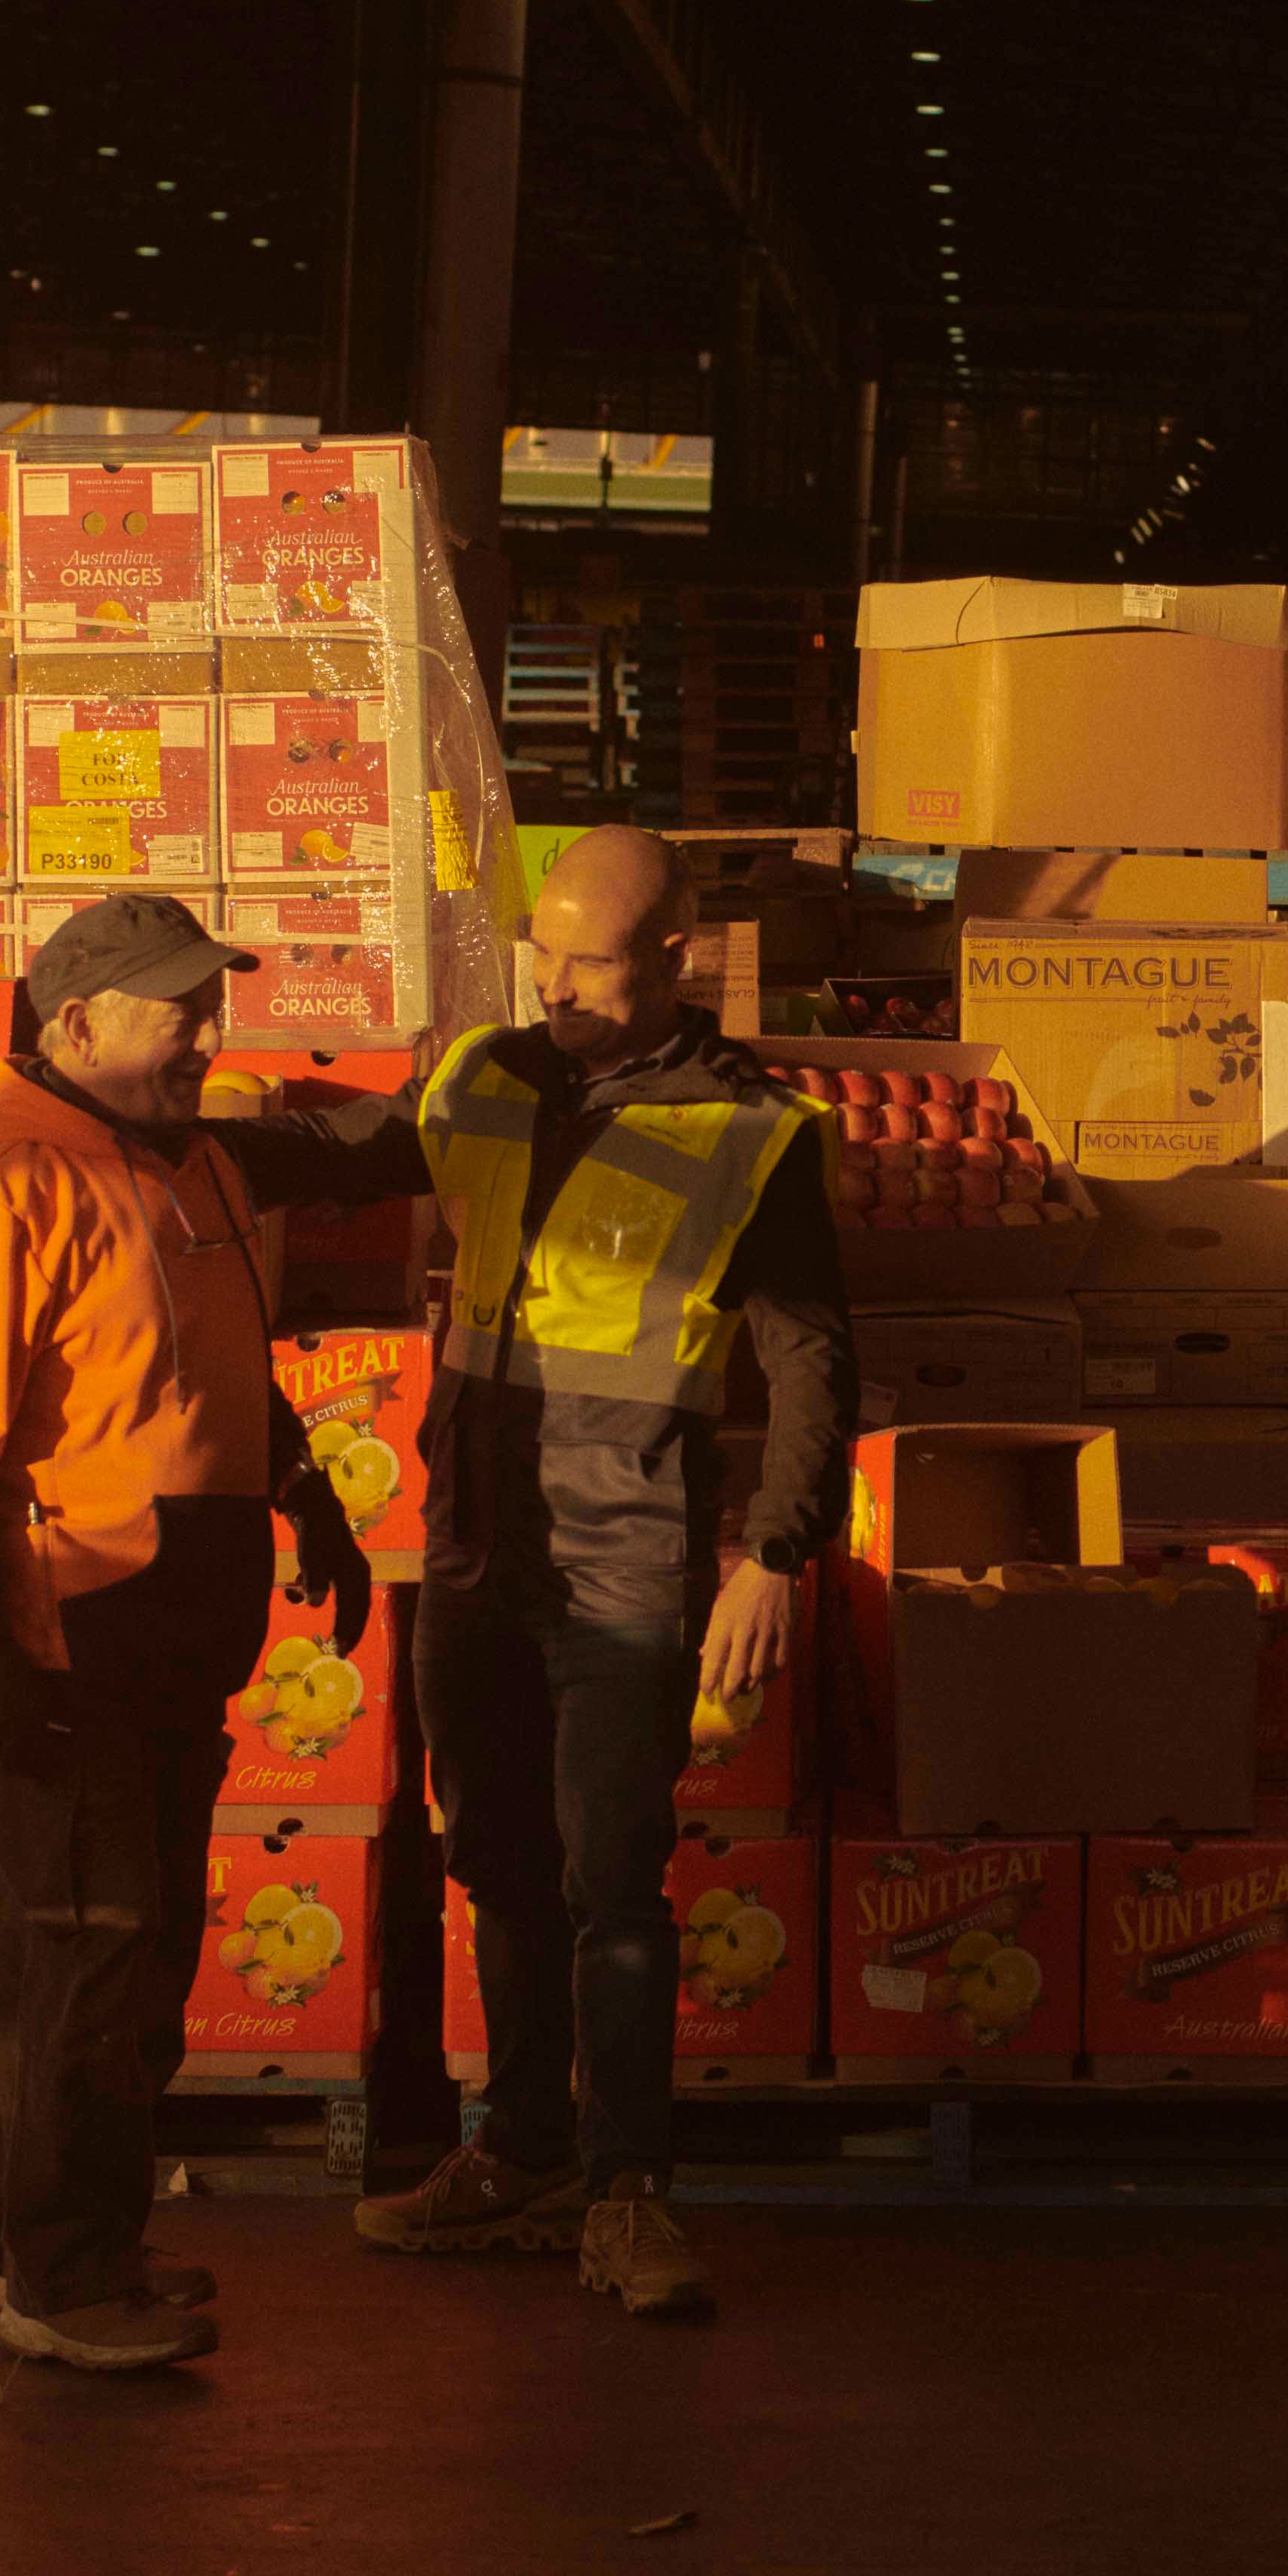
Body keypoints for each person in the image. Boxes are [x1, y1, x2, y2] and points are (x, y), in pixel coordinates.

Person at [267, 824, 854, 2324]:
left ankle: (630, 2191)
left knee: (617, 1883)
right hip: (475, 1550)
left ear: (676, 960)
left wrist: (775, 1551)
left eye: (591, 961)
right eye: (547, 950)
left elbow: (809, 1362)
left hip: (626, 1562)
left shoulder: (747, 1129)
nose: (558, 982)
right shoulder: (487, 1072)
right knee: (498, 1864)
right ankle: (518, 2149)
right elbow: (345, 1152)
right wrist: (153, 1119)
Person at [0, 890, 365, 2375]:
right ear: (71, 1022)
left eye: (211, 1003)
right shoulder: (12, 1187)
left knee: (73, 1963)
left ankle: (18, 2241)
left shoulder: (182, 1164)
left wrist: (305, 1492)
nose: (206, 1032)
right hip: (74, 1634)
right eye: (173, 1007)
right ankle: (70, 2283)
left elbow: (204, 1377)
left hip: (170, 1630)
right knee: (93, 1963)